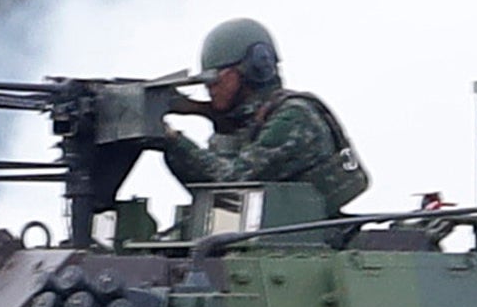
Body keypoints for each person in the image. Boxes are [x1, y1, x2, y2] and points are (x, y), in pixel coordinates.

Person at [154, 17, 368, 236]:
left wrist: (174, 141)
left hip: (312, 243)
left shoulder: (294, 118)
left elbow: (233, 184)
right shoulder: (242, 127)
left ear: (254, 67)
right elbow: (211, 193)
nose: (209, 88)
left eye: (215, 78)